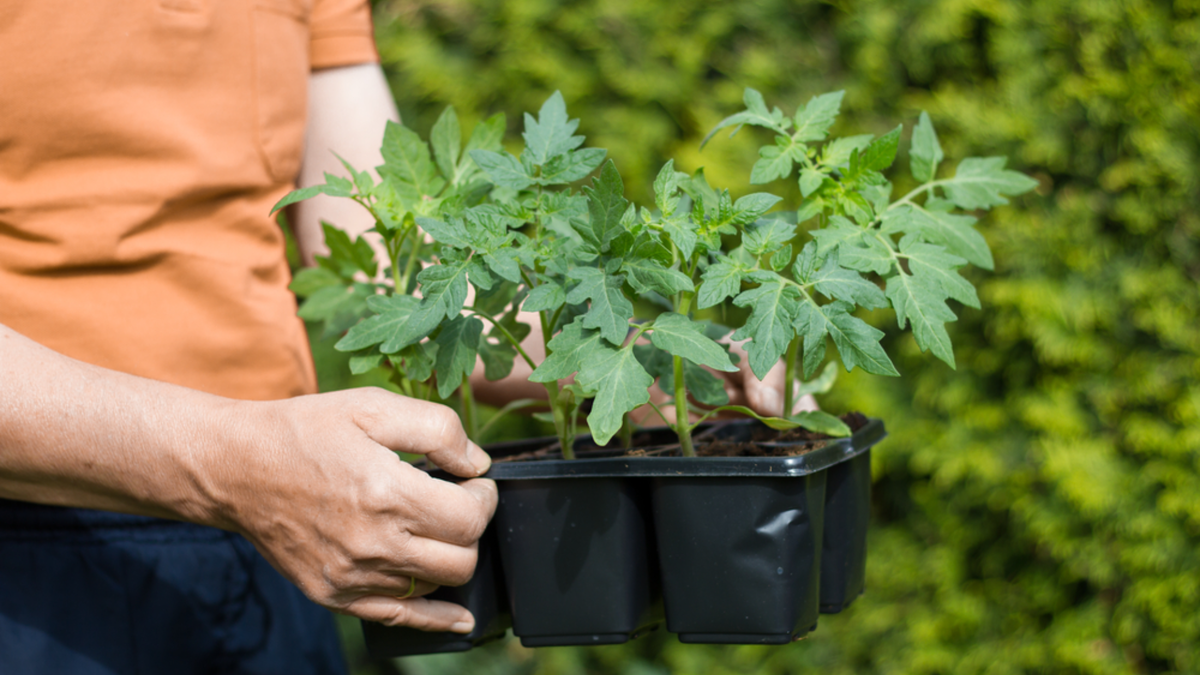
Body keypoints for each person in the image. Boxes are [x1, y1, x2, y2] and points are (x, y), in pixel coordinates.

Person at [0, 1, 806, 672]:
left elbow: (388, 271)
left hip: (278, 538)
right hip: (39, 548)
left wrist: (641, 362)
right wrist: (227, 461)